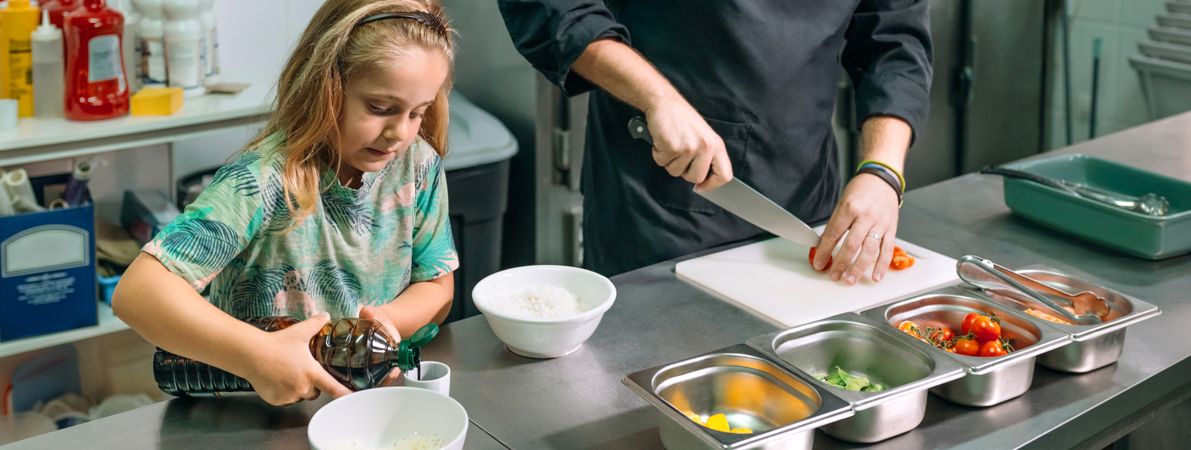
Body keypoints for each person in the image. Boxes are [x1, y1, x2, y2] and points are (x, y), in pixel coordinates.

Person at [112, 0, 458, 406]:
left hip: (353, 403)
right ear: (327, 87)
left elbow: (437, 284)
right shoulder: (261, 179)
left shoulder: (417, 166)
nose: (399, 132)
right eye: (380, 108)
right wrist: (260, 357)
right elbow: (137, 293)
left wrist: (387, 322)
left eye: (418, 112)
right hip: (250, 407)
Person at [499, 1, 931, 284]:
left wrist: (882, 171)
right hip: (657, 209)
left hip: (807, 210)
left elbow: (895, 40)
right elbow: (553, 7)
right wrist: (658, 98)